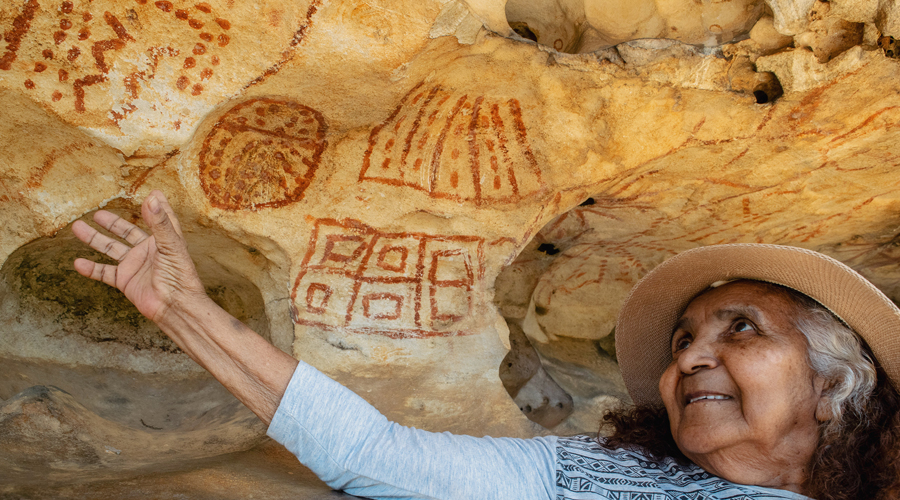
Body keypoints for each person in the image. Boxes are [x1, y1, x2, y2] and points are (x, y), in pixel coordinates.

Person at [71, 191, 900, 500]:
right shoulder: (583, 475)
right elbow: (375, 456)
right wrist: (186, 312)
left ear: (837, 390)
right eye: (683, 339)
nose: (687, 358)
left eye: (741, 329)